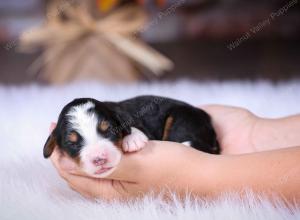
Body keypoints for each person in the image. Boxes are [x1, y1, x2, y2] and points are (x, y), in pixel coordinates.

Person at [49, 105, 300, 202]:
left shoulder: (123, 120)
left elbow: (133, 129)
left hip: (180, 118)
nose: (98, 153)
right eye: (74, 144)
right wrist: (254, 133)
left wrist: (201, 173)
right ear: (56, 143)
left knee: (183, 127)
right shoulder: (108, 116)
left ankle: (197, 147)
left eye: (107, 133)